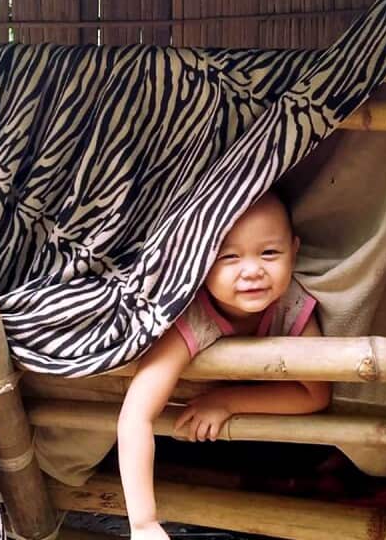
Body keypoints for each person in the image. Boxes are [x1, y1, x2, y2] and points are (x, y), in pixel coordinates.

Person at [117, 192, 332, 539]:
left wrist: (226, 401)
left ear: (294, 250)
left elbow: (316, 394)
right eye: (229, 257)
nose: (252, 271)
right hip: (187, 453)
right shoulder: (191, 316)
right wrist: (143, 522)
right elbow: (135, 414)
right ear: (199, 262)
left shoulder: (292, 305)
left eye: (269, 253)